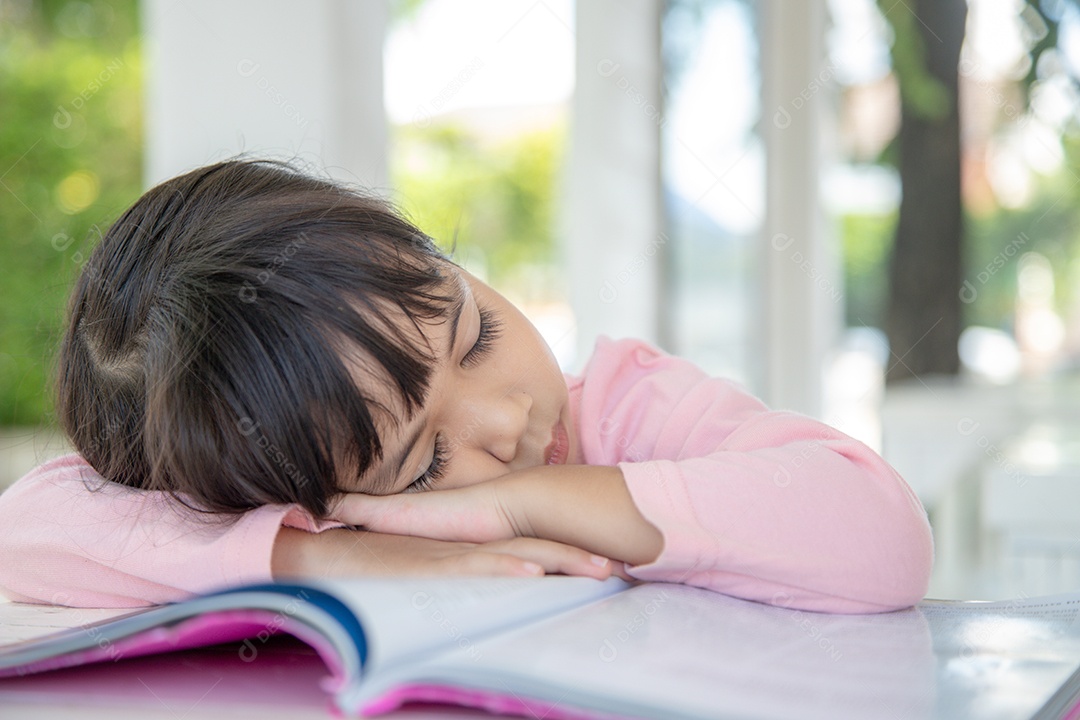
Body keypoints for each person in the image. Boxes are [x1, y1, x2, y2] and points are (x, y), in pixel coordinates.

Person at [0, 159, 933, 613]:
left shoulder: (628, 406)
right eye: (424, 458)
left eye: (475, 333)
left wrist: (519, 506)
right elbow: (27, 530)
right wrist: (329, 559)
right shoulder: (324, 519)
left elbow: (881, 534)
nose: (509, 417)